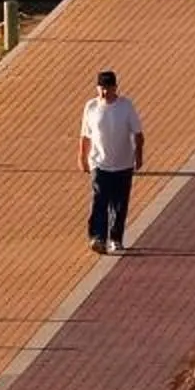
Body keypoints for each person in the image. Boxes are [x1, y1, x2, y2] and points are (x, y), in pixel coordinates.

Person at [79, 70, 145, 253]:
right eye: (102, 88)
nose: (105, 92)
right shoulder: (91, 107)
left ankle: (115, 238)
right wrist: (82, 158)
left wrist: (138, 156)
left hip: (123, 164)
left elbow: (138, 134)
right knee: (99, 200)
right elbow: (85, 135)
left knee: (119, 203)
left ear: (115, 88)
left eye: (108, 88)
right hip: (99, 163)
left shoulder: (126, 107)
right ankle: (97, 237)